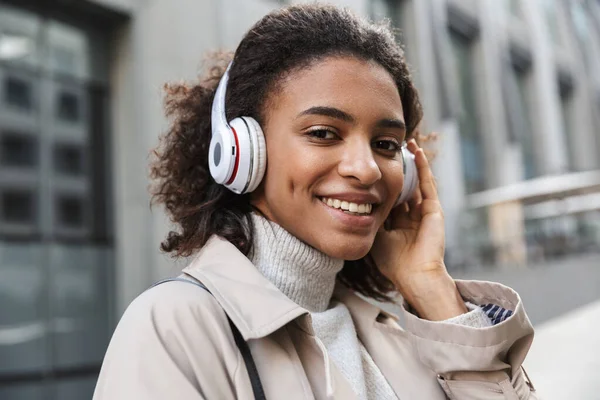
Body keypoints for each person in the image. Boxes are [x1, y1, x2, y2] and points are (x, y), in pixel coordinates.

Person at [94, 4, 537, 399]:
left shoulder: (398, 333)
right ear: (241, 152)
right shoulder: (176, 327)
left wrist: (432, 290)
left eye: (385, 144)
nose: (366, 169)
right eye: (324, 133)